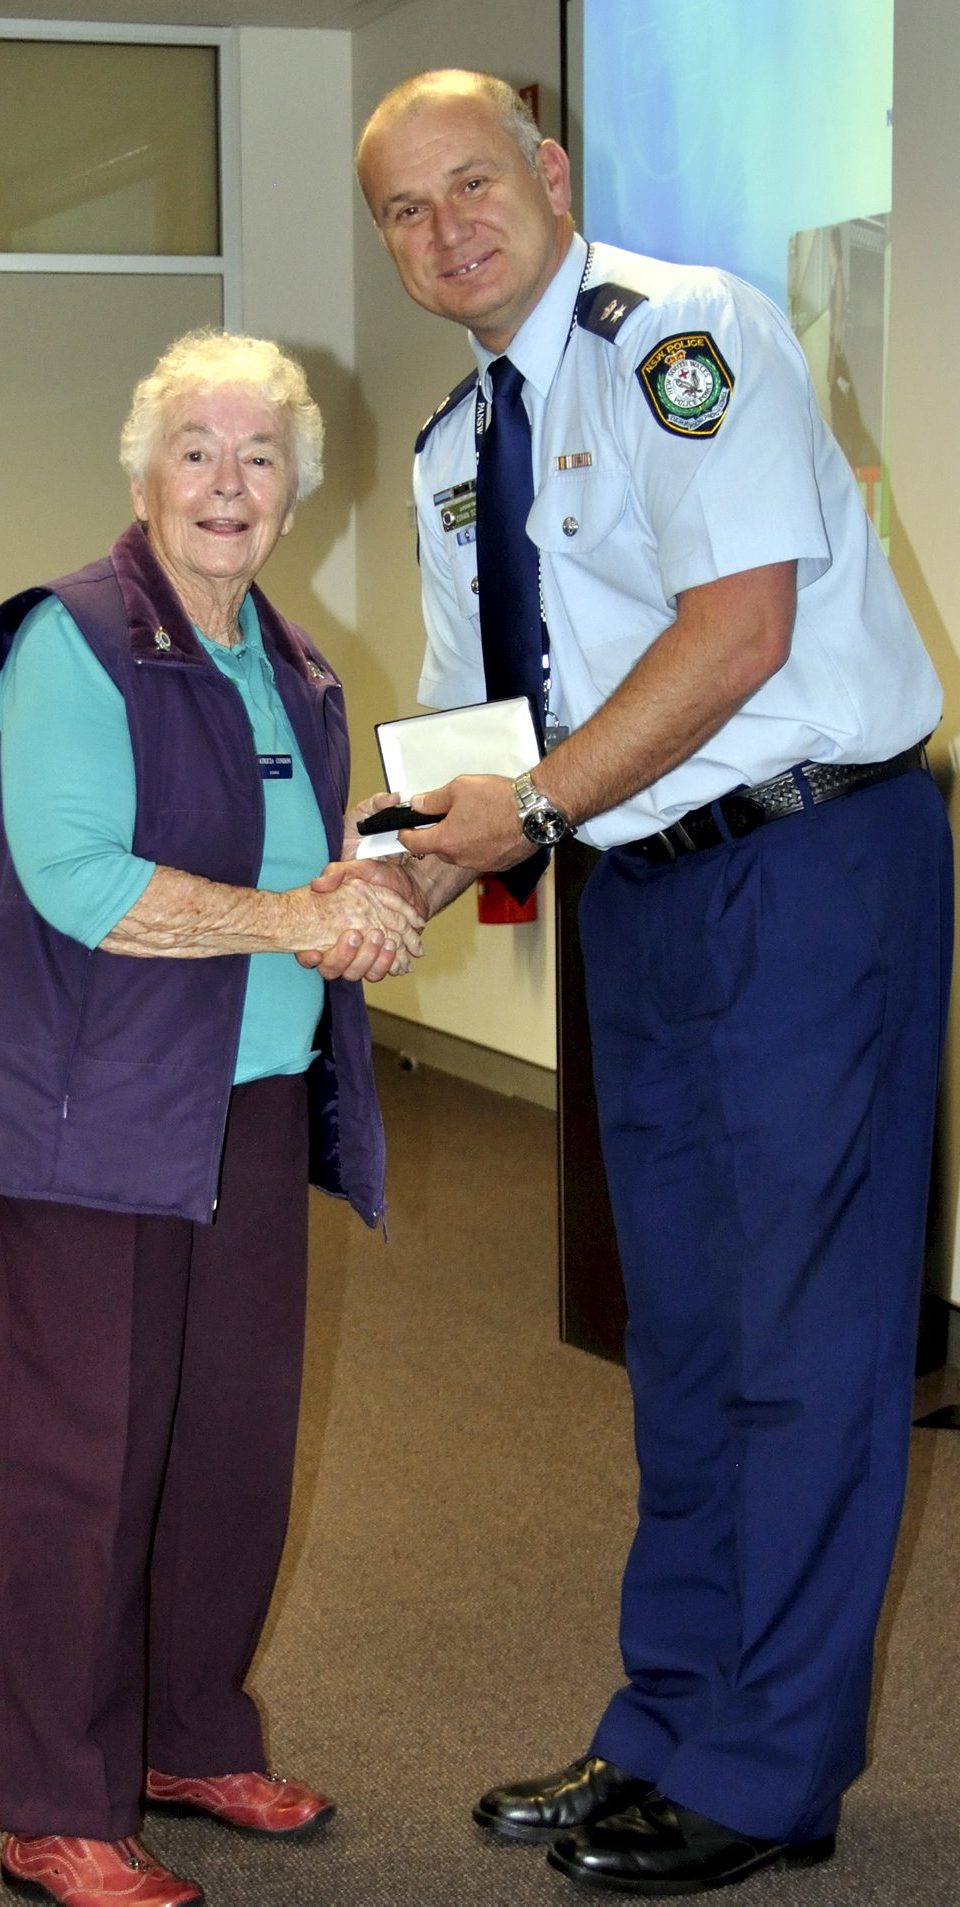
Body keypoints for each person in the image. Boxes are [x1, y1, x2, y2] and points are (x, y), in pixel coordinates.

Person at [354, 70, 953, 1898]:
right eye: (406, 211)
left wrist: (519, 807)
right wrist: (385, 874)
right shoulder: (460, 449)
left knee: (802, 1333)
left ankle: (769, 1774)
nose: (450, 228)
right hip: (641, 893)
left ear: (549, 175)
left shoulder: (686, 335)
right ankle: (668, 1723)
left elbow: (738, 631)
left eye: (477, 184)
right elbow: (488, 739)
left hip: (806, 868)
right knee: (683, 1330)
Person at [0, 330, 426, 1907]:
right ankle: (49, 1792)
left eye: (260, 457)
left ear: (298, 490)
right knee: (81, 1462)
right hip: (96, 1114)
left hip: (250, 1102)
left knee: (231, 1443)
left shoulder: (292, 663)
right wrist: (295, 921)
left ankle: (189, 1733)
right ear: (143, 472)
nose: (228, 484)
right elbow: (79, 882)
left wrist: (373, 892)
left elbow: (311, 875)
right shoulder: (76, 640)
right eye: (198, 449)